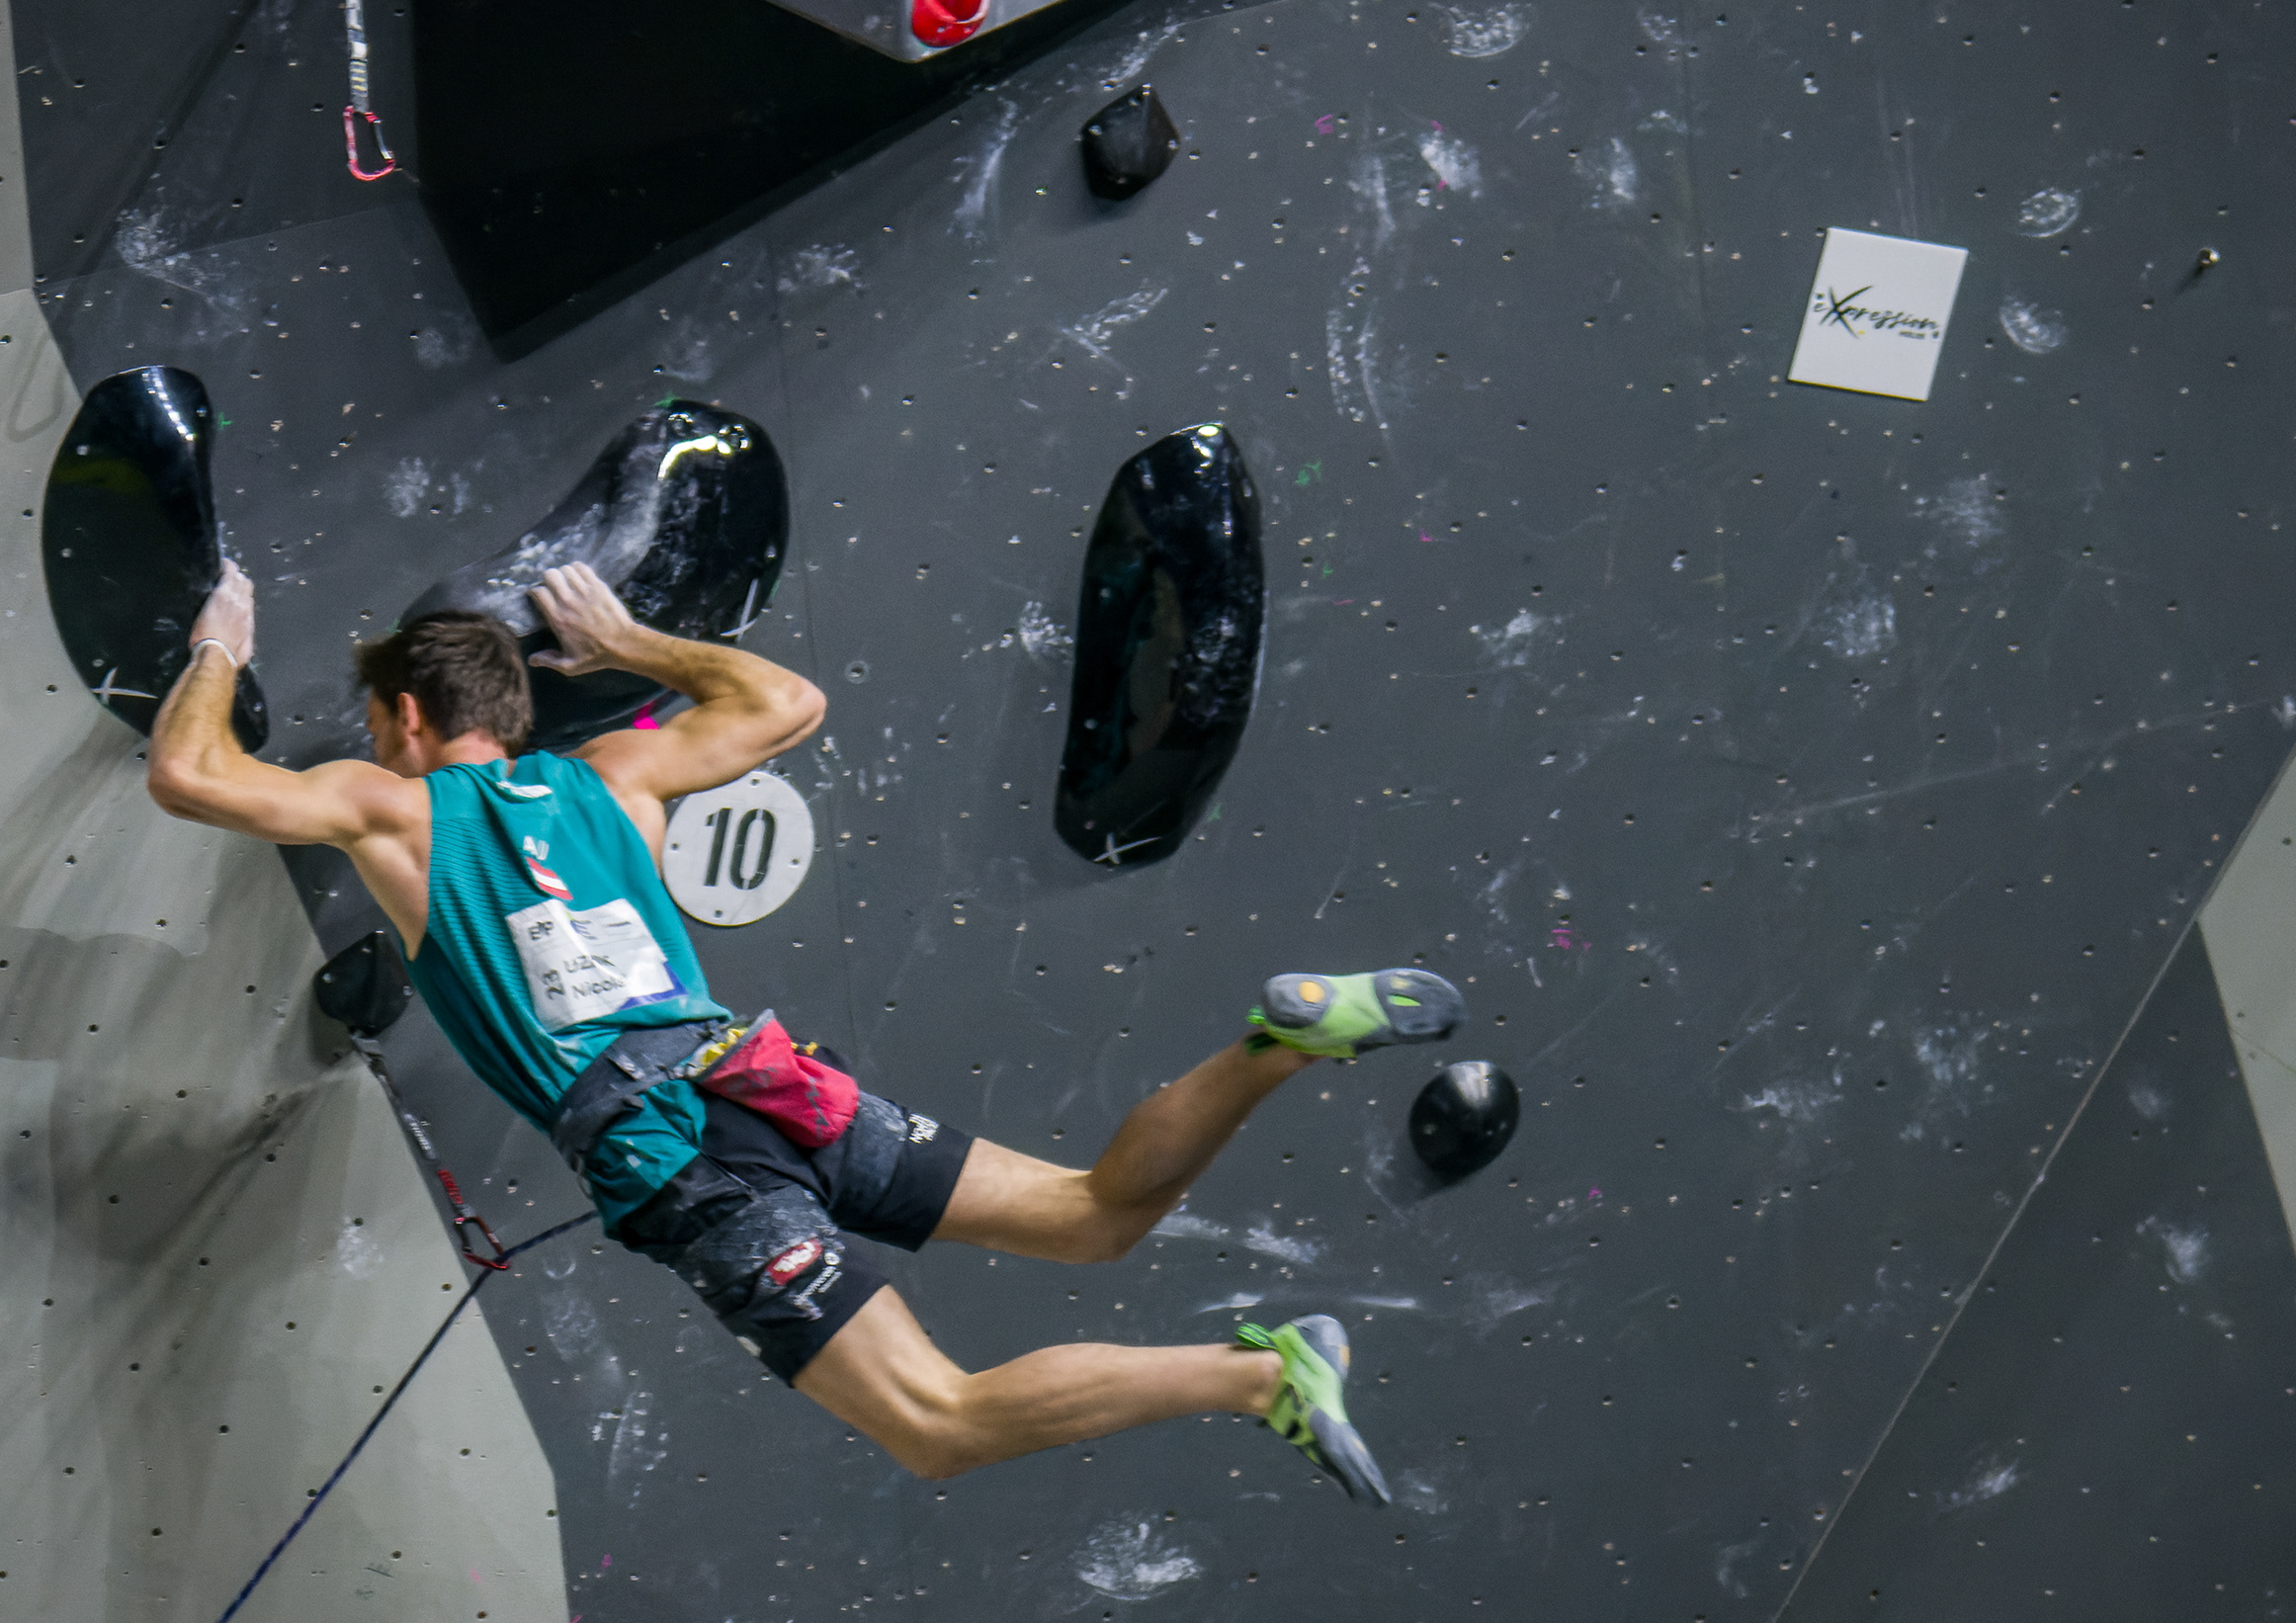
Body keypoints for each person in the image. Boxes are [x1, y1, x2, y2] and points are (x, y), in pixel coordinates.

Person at [142, 558, 1464, 1495]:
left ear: (408, 718)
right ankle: (1278, 1045)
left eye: (380, 725)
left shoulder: (393, 807)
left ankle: (1260, 1381)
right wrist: (630, 644)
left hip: (676, 1157)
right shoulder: (617, 776)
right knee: (1092, 1215)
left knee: (938, 1422)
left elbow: (190, 773)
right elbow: (787, 705)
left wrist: (220, 646)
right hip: (760, 1078)